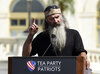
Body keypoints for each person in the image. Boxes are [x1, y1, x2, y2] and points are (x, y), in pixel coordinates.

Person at [22, 5, 90, 69]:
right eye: (51, 19)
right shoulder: (41, 37)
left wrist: (84, 59)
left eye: (57, 17)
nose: (55, 21)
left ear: (61, 17)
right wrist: (30, 36)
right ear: (47, 21)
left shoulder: (74, 34)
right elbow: (25, 56)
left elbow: (81, 52)